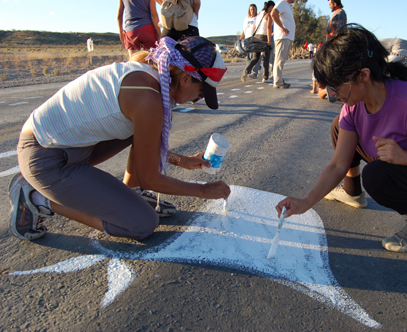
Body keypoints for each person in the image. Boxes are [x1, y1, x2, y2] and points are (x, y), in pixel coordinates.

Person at [276, 24, 407, 253]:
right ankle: (352, 191)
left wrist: (406, 157)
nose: (332, 95)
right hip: (400, 162)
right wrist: (306, 202)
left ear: (363, 75)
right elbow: (338, 164)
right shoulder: (353, 106)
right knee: (338, 126)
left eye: (335, 87)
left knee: (377, 176)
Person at [8, 36, 230, 242]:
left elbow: (146, 143)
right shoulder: (148, 99)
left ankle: (131, 194)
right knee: (142, 224)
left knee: (139, 132)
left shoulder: (146, 75)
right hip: (45, 158)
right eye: (201, 93)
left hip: (61, 146)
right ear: (184, 79)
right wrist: (201, 190)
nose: (198, 100)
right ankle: (38, 197)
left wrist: (182, 160)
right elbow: (149, 178)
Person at [318, 0, 347, 99]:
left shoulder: (340, 13)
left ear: (335, 3)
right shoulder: (336, 14)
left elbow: (340, 30)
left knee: (333, 66)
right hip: (330, 44)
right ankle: (328, 89)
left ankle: (333, 90)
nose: (329, 6)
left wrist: (333, 41)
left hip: (334, 46)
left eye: (330, 4)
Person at [241, 1, 276, 83]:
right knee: (266, 58)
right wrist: (268, 40)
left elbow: (256, 26)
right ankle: (265, 77)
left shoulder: (260, 14)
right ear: (270, 7)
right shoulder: (268, 15)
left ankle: (246, 70)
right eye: (273, 8)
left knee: (255, 57)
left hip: (257, 36)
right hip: (264, 37)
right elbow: (268, 27)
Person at [271, 0, 296, 89]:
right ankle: (278, 81)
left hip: (286, 37)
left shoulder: (286, 5)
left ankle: (278, 80)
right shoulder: (282, 3)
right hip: (283, 37)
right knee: (279, 59)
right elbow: (273, 14)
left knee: (281, 59)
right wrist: (282, 28)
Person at [240, 4, 260, 81]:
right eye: (251, 9)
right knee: (248, 57)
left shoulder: (257, 18)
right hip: (247, 40)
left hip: (254, 39)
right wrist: (241, 38)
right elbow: (244, 30)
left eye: (254, 9)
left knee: (255, 56)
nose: (252, 11)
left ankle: (254, 72)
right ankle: (248, 71)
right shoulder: (246, 19)